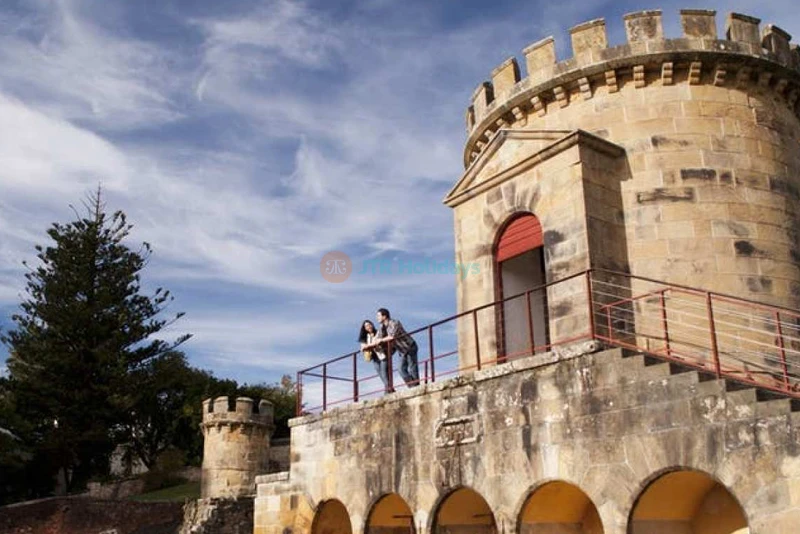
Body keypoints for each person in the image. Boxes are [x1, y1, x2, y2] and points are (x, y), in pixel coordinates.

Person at [375, 308, 420, 387]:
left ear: (384, 316)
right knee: (401, 369)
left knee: (412, 368)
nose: (377, 318)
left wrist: (381, 340)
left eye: (378, 315)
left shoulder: (394, 323)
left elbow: (392, 336)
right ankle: (413, 386)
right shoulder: (382, 327)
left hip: (409, 346)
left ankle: (416, 386)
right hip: (402, 350)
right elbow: (377, 339)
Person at [358, 320, 393, 393]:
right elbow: (362, 347)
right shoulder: (364, 337)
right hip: (374, 358)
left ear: (372, 325)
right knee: (381, 374)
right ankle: (389, 389)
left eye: (369, 324)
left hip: (382, 355)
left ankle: (388, 390)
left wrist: (369, 345)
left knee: (384, 372)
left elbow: (378, 342)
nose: (368, 326)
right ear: (364, 328)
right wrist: (366, 346)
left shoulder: (378, 332)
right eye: (366, 326)